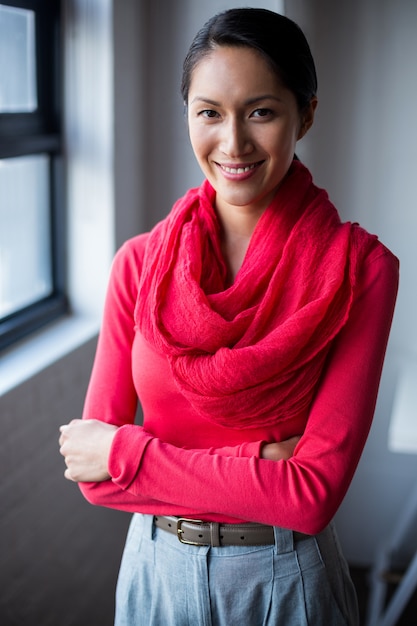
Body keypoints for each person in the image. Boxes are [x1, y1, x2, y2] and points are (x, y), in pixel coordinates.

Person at [59, 7, 399, 625]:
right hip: (155, 570)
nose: (233, 144)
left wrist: (129, 454)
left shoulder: (361, 268)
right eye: (209, 112)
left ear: (307, 113)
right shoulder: (139, 264)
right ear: (188, 113)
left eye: (261, 111)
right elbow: (90, 472)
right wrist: (262, 465)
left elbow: (311, 497)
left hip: (288, 577)